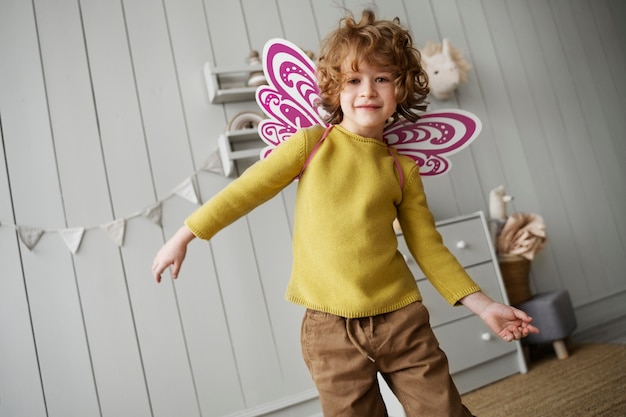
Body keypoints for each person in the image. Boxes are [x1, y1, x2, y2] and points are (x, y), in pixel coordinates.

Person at [152, 9, 539, 417]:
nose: (367, 91)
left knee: (442, 410)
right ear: (335, 89)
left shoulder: (402, 169)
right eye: (354, 80)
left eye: (381, 78)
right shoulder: (311, 145)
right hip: (329, 328)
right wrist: (185, 235)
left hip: (401, 320)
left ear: (400, 90)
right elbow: (245, 192)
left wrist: (485, 305)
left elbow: (429, 248)